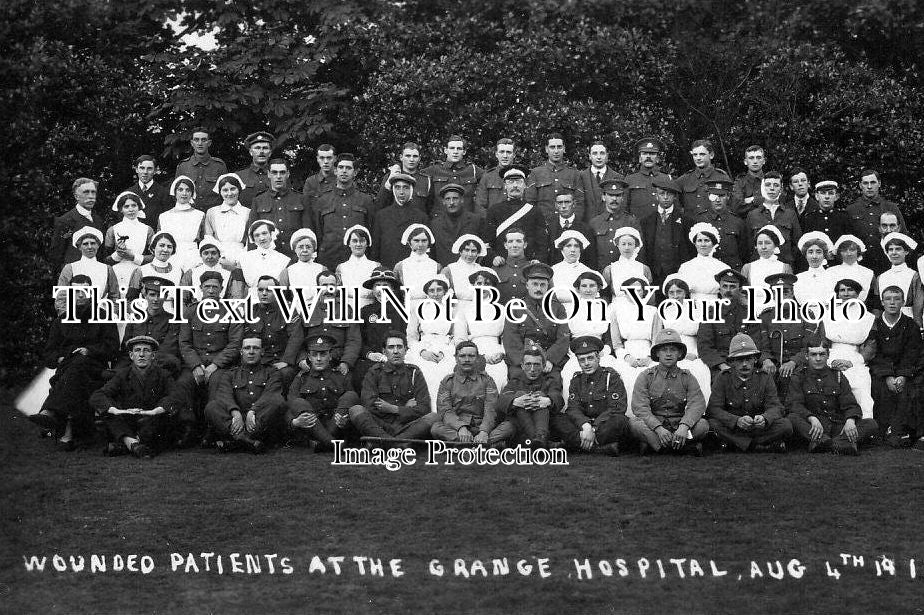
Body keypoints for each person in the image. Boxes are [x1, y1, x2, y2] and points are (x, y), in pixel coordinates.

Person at [30, 275, 119, 450]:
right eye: (76, 290)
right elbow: (49, 354)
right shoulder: (61, 320)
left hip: (94, 367)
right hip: (70, 370)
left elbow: (113, 347)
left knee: (79, 362)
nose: (80, 295)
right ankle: (69, 433)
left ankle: (52, 412)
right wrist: (60, 358)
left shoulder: (103, 316)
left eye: (84, 290)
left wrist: (90, 351)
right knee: (76, 369)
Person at [174, 271, 245, 447]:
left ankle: (211, 429)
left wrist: (214, 365)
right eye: (207, 287)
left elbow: (235, 344)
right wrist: (196, 366)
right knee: (183, 383)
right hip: (195, 363)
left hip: (220, 365)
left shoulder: (232, 311)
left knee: (217, 382)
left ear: (221, 289)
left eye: (215, 287)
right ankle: (188, 427)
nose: (211, 290)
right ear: (201, 288)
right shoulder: (190, 311)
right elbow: (184, 342)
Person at [788, 337, 879, 455]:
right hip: (814, 427)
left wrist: (850, 421)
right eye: (813, 354)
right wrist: (811, 418)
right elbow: (795, 405)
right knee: (792, 418)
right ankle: (842, 444)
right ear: (806, 356)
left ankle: (825, 443)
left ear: (828, 355)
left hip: (837, 427)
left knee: (871, 424)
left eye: (822, 354)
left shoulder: (838, 376)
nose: (818, 358)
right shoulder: (799, 377)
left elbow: (850, 404)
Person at [91, 335, 176, 458]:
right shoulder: (122, 374)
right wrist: (118, 411)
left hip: (151, 421)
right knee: (109, 412)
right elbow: (97, 395)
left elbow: (176, 396)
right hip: (128, 420)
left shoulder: (164, 375)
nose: (141, 355)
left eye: (146, 350)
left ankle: (124, 444)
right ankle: (134, 445)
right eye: (137, 350)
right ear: (131, 356)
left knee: (161, 421)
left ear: (153, 355)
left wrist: (154, 411)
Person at [706, 333, 792, 453]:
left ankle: (739, 444)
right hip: (735, 428)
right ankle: (758, 446)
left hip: (759, 428)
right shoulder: (723, 378)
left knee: (785, 425)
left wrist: (765, 418)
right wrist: (736, 421)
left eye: (748, 359)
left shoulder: (765, 377)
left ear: (755, 359)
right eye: (740, 360)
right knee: (712, 424)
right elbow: (714, 409)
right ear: (732, 362)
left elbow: (776, 406)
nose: (745, 364)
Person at [629, 328, 709, 455]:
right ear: (657, 354)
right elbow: (640, 407)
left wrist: (684, 426)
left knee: (703, 425)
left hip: (679, 426)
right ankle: (684, 448)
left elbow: (697, 404)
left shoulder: (687, 377)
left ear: (680, 353)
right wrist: (659, 428)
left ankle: (656, 447)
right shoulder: (645, 376)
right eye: (664, 350)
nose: (668, 354)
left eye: (673, 350)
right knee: (634, 423)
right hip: (655, 427)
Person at [349, 331, 437, 442]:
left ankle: (384, 443)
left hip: (407, 426)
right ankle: (399, 444)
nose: (396, 351)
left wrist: (394, 409)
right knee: (356, 410)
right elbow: (369, 405)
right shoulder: (374, 373)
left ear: (406, 350)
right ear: (384, 351)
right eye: (391, 347)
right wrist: (406, 408)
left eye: (400, 347)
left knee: (434, 417)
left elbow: (424, 408)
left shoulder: (414, 372)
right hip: (380, 425)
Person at [205, 337, 286, 453]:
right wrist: (235, 412)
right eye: (247, 348)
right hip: (237, 420)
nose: (251, 352)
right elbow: (224, 395)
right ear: (241, 351)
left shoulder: (272, 372)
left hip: (259, 419)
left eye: (256, 348)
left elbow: (271, 394)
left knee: (278, 401)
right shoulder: (230, 374)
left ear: (262, 351)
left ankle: (236, 441)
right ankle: (247, 441)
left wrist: (253, 410)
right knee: (212, 406)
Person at [551, 336, 628, 454]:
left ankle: (574, 445)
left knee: (619, 420)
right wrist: (585, 426)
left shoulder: (611, 376)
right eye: (582, 360)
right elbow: (573, 408)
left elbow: (617, 407)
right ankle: (599, 449)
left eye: (590, 358)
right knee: (557, 418)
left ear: (598, 358)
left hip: (603, 425)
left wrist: (593, 428)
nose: (586, 363)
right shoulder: (576, 380)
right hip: (583, 426)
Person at [868, 285, 922, 444]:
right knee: (879, 390)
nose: (892, 303)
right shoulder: (875, 324)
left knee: (910, 391)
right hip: (882, 372)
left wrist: (902, 375)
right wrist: (887, 376)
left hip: (905, 371)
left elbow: (913, 353)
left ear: (903, 302)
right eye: (888, 299)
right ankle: (881, 429)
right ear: (882, 302)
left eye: (897, 299)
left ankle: (900, 431)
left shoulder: (911, 325)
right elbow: (874, 354)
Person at [286, 334, 360, 451]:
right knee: (298, 402)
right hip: (310, 428)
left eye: (323, 354)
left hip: (335, 427)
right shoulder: (301, 378)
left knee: (351, 396)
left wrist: (346, 420)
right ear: (309, 357)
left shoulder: (341, 377)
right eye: (315, 354)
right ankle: (333, 445)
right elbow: (290, 403)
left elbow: (352, 404)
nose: (319, 359)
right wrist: (295, 422)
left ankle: (324, 443)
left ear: (330, 356)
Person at [760, 272, 824, 403]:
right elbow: (762, 346)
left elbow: (811, 347)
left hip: (798, 366)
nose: (782, 296)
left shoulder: (805, 314)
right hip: (773, 366)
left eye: (785, 292)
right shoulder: (766, 316)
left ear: (792, 293)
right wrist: (766, 360)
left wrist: (793, 362)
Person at [559, 271, 621, 404]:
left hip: (600, 352)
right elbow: (565, 336)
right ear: (578, 288)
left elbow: (609, 337)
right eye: (584, 286)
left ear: (598, 288)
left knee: (613, 372)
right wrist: (574, 352)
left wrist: (605, 350)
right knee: (570, 373)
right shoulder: (569, 309)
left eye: (592, 286)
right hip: (576, 353)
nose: (588, 290)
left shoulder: (605, 308)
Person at [430, 341, 509, 446]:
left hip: (482, 426)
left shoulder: (487, 380)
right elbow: (445, 411)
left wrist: (484, 431)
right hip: (457, 429)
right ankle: (486, 444)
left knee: (509, 426)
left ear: (477, 358)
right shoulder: (447, 382)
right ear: (456, 358)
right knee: (436, 428)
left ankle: (465, 444)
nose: (467, 360)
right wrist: (461, 427)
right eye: (462, 356)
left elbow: (491, 409)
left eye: (471, 356)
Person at [502, 263, 570, 379]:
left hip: (549, 363)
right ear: (527, 285)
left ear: (548, 286)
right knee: (517, 384)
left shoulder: (557, 308)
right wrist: (526, 363)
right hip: (522, 363)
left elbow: (563, 338)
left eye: (542, 285)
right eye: (535, 284)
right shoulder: (515, 309)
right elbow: (511, 339)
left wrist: (549, 360)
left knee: (555, 386)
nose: (538, 289)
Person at [698, 269, 770, 376]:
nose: (728, 290)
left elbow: (756, 344)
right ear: (720, 290)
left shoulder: (748, 314)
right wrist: (721, 365)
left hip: (747, 363)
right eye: (725, 286)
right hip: (722, 364)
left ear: (740, 290)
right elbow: (705, 347)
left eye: (732, 287)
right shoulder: (710, 315)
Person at [823, 278, 876, 423]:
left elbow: (871, 347)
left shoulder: (868, 317)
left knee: (860, 383)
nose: (846, 293)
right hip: (831, 356)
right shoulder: (829, 314)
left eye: (850, 290)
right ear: (838, 294)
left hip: (856, 357)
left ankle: (865, 424)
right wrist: (829, 360)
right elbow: (822, 342)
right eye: (842, 290)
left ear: (858, 293)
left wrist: (853, 361)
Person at [654, 276, 712, 400]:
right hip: (670, 352)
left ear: (686, 293)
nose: (675, 296)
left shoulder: (697, 310)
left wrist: (696, 354)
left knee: (698, 370)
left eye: (679, 291)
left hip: (694, 352)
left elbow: (704, 337)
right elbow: (658, 339)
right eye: (671, 293)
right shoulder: (663, 312)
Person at [299, 270, 362, 382]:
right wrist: (302, 360)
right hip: (311, 362)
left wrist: (346, 362)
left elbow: (353, 340)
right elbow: (297, 340)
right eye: (324, 286)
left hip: (338, 362)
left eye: (332, 285)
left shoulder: (347, 310)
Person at [496, 344, 563, 448]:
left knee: (540, 396)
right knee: (520, 395)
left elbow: (558, 397)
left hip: (544, 423)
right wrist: (516, 401)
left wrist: (547, 401)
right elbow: (501, 400)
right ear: (522, 366)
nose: (532, 369)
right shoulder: (515, 382)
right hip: (519, 424)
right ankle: (540, 441)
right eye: (528, 364)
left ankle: (538, 438)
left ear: (543, 366)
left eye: (536, 364)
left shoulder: (549, 382)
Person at [406, 275, 456, 412]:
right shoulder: (418, 308)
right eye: (431, 290)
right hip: (424, 347)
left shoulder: (451, 309)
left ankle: (444, 413)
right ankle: (426, 413)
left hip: (445, 347)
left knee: (447, 371)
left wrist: (444, 352)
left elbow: (455, 336)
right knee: (424, 371)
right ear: (427, 292)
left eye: (439, 290)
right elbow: (411, 337)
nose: (435, 294)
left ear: (445, 291)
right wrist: (422, 352)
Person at [313, 153, 373, 268]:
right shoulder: (323, 200)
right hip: (329, 259)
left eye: (348, 168)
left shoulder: (365, 200)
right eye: (341, 167)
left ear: (355, 172)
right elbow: (318, 232)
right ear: (335, 171)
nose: (344, 171)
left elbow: (370, 230)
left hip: (357, 260)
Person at [453, 268, 507, 391]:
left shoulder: (501, 309)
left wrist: (501, 353)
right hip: (472, 350)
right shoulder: (464, 309)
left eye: (487, 284)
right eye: (479, 284)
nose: (482, 287)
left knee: (498, 374)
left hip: (495, 350)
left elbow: (507, 336)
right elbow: (460, 338)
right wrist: (479, 357)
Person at [247, 275, 304, 388]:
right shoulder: (251, 311)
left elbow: (295, 337)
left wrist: (286, 361)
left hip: (282, 359)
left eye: (269, 290)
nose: (264, 293)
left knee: (284, 374)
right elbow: (246, 339)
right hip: (259, 361)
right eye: (260, 290)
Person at [484, 166, 550, 264]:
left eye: (519, 182)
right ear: (505, 185)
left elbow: (542, 243)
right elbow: (487, 241)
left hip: (528, 264)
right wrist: (494, 257)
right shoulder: (494, 210)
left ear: (525, 185)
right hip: (502, 264)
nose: (515, 185)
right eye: (510, 182)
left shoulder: (534, 211)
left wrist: (538, 259)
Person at [354, 268, 406, 388]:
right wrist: (369, 354)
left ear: (392, 289)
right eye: (377, 285)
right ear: (372, 289)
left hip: (398, 358)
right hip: (372, 360)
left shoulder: (403, 310)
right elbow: (357, 340)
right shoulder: (365, 312)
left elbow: (409, 336)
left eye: (385, 285)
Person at [610, 276, 658, 403]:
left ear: (644, 292)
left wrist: (649, 357)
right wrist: (627, 357)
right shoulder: (617, 311)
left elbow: (656, 340)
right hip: (627, 353)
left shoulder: (653, 311)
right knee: (624, 377)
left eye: (639, 290)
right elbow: (616, 343)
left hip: (648, 353)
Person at [120, 276, 181, 374]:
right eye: (152, 295)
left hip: (159, 365)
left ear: (165, 297)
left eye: (160, 295)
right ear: (145, 296)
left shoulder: (173, 321)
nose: (156, 299)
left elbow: (168, 349)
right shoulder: (136, 318)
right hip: (133, 363)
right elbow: (126, 346)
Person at [639, 176, 693, 288]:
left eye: (669, 194)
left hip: (677, 273)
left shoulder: (686, 221)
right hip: (654, 273)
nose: (665, 197)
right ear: (656, 196)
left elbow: (690, 250)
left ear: (674, 197)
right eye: (662, 193)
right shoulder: (646, 221)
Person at [248, 159, 308, 257]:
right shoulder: (258, 200)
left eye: (282, 172)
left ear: (288, 174)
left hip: (295, 255)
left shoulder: (300, 199)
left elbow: (308, 232)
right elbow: (252, 234)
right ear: (268, 174)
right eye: (274, 173)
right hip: (268, 257)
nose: (278, 176)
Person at [55, 227, 120, 314]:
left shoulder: (107, 269)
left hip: (101, 317)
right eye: (85, 244)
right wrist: (66, 317)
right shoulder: (70, 268)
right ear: (79, 247)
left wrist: (110, 315)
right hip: (75, 316)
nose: (90, 247)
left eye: (93, 243)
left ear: (98, 245)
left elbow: (115, 296)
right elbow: (61, 297)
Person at [371, 173, 430, 268]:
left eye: (405, 188)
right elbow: (375, 249)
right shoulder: (381, 215)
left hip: (414, 268)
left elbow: (428, 249)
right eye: (397, 187)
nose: (401, 192)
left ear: (411, 190)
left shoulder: (421, 217)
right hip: (387, 267)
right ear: (393, 190)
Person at [744, 172, 802, 266]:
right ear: (762, 188)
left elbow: (797, 243)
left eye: (776, 185)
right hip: (759, 266)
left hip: (784, 267)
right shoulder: (753, 215)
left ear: (781, 188)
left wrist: (789, 261)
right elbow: (747, 246)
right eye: (768, 185)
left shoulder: (790, 214)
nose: (772, 188)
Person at [524, 132, 586, 219]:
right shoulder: (536, 173)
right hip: (543, 225)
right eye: (552, 147)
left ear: (564, 149)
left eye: (559, 147)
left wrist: (573, 223)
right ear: (546, 149)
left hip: (567, 225)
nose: (556, 151)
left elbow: (579, 203)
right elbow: (530, 203)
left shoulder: (574, 174)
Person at [846, 168, 907, 255]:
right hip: (860, 261)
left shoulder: (891, 208)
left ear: (879, 183)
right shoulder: (851, 209)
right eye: (865, 183)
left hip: (886, 259)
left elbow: (903, 236)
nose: (869, 186)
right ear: (860, 185)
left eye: (873, 182)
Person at [105, 191, 155, 295]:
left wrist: (133, 257)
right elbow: (106, 259)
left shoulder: (147, 230)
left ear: (139, 207)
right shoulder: (113, 230)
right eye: (126, 206)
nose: (131, 209)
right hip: (117, 272)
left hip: (140, 270)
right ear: (121, 209)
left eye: (134, 205)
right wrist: (118, 254)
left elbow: (153, 257)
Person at [694, 178, 748, 270]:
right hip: (707, 270)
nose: (717, 200)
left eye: (721, 196)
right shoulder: (700, 220)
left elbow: (744, 251)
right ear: (708, 196)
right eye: (714, 196)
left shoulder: (737, 222)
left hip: (732, 271)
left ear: (728, 197)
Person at [422, 135, 483, 216]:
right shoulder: (434, 170)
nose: (455, 151)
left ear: (464, 152)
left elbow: (491, 179)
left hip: (465, 220)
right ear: (446, 150)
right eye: (452, 148)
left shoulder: (473, 170)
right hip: (440, 220)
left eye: (459, 149)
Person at [871, 232, 924, 326]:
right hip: (885, 323)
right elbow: (877, 305)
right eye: (890, 250)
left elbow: (918, 305)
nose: (894, 253)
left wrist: (918, 328)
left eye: (898, 249)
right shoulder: (881, 277)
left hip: (908, 321)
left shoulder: (914, 276)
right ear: (887, 253)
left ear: (906, 252)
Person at [589, 178, 641, 269]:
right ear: (603, 197)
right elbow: (590, 254)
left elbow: (639, 250)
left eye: (618, 195)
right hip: (601, 273)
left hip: (625, 273)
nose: (614, 199)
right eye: (610, 195)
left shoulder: (631, 222)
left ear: (622, 198)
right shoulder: (595, 223)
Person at [52, 177, 105, 267]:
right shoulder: (65, 220)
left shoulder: (98, 220)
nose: (91, 196)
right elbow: (57, 255)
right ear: (76, 196)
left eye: (93, 192)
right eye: (86, 192)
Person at [428, 183, 483, 268]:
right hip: (444, 271)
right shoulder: (435, 224)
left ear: (462, 200)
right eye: (447, 199)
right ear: (443, 202)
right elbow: (432, 252)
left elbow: (482, 249)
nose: (451, 203)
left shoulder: (475, 220)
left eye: (455, 198)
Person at [203, 173, 250, 269]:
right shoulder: (212, 212)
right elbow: (209, 238)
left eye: (233, 189)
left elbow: (250, 241)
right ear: (220, 192)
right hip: (217, 258)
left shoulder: (248, 212)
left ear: (239, 190)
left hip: (241, 258)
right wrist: (219, 257)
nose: (229, 193)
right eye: (225, 190)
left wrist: (241, 260)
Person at [159, 175, 205, 271]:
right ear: (174, 192)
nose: (184, 193)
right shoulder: (164, 216)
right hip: (170, 256)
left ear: (192, 193)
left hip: (193, 257)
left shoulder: (200, 215)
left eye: (188, 190)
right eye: (180, 189)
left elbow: (204, 240)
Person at [176, 126, 228, 211]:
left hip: (214, 214)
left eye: (204, 140)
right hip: (190, 214)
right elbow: (176, 194)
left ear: (209, 143)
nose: (200, 143)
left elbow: (226, 192)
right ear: (192, 143)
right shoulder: (183, 166)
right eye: (196, 140)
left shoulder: (219, 166)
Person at [125, 231, 184, 307]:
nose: (165, 250)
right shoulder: (141, 271)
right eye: (161, 245)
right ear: (153, 247)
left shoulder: (179, 271)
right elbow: (130, 301)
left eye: (169, 247)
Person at [233, 220, 291, 295]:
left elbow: (284, 288)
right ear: (253, 239)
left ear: (271, 234)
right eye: (257, 235)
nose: (262, 238)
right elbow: (238, 288)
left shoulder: (283, 259)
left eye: (264, 233)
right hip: (251, 299)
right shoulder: (244, 258)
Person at [393, 223, 440, 314]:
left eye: (424, 241)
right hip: (407, 308)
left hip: (430, 308)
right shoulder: (400, 266)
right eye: (416, 240)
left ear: (428, 243)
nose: (420, 244)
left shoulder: (436, 266)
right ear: (409, 242)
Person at [375, 142, 431, 215]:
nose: (411, 159)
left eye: (415, 156)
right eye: (408, 156)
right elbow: (380, 205)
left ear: (419, 158)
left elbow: (430, 209)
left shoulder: (426, 180)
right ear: (401, 157)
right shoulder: (391, 177)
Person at [676, 222, 727, 303]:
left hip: (716, 306)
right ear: (695, 243)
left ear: (713, 243)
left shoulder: (723, 267)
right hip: (692, 306)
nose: (703, 244)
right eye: (699, 240)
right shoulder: (686, 267)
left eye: (707, 240)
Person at [676, 139, 728, 217]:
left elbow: (730, 206)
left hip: (713, 226)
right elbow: (675, 202)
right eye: (695, 155)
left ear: (711, 155)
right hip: (689, 226)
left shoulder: (722, 178)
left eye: (702, 154)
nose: (698, 158)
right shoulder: (684, 179)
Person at [335, 225, 380, 311]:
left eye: (362, 241)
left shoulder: (375, 266)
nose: (358, 244)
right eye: (354, 241)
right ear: (349, 243)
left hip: (370, 310)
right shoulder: (341, 267)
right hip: (348, 310)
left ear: (367, 243)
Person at [602, 227, 652, 301]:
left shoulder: (644, 268)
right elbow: (604, 295)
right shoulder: (609, 269)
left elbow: (649, 295)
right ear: (618, 245)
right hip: (617, 308)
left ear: (636, 246)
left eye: (630, 244)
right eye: (623, 244)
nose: (626, 247)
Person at [546, 193, 595, 268]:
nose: (563, 206)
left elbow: (591, 258)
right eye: (560, 203)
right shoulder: (549, 228)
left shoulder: (586, 229)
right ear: (556, 205)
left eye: (567, 202)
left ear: (574, 204)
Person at [626, 136, 670, 219]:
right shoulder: (630, 180)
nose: (648, 157)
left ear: (657, 159)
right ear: (640, 158)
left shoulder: (666, 179)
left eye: (652, 154)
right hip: (638, 227)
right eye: (645, 153)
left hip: (661, 227)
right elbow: (624, 208)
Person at [441, 234, 487, 314]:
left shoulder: (481, 270)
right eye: (466, 250)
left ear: (478, 253)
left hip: (477, 308)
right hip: (456, 309)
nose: (470, 254)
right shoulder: (450, 269)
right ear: (460, 251)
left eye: (473, 251)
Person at [741, 225, 792, 296]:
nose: (763, 247)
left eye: (768, 243)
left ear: (775, 245)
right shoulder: (747, 268)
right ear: (756, 246)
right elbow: (743, 295)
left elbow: (788, 294)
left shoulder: (785, 267)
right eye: (760, 243)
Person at [179, 236, 233, 301]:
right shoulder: (191, 273)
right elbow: (182, 297)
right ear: (201, 255)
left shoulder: (228, 274)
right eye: (206, 253)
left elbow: (232, 297)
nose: (210, 257)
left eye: (213, 253)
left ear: (219, 255)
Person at [278, 228, 324, 301]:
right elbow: (283, 298)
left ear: (313, 249)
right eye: (300, 247)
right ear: (295, 249)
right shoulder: (287, 272)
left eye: (308, 247)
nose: (305, 250)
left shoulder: (322, 269)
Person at [579, 141, 621, 222]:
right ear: (590, 156)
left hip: (610, 226)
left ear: (607, 156)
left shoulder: (618, 178)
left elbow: (621, 207)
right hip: (587, 226)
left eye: (602, 153)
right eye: (595, 153)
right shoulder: (580, 177)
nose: (599, 157)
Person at [826, 235, 874, 302]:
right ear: (839, 253)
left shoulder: (868, 272)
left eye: (852, 250)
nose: (848, 253)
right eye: (844, 250)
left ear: (858, 251)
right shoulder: (831, 271)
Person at [550, 230, 592, 306]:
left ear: (580, 250)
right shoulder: (553, 270)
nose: (572, 250)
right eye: (568, 246)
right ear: (562, 249)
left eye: (576, 246)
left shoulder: (587, 271)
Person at [125, 155, 171, 223]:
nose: (145, 172)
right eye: (142, 168)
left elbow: (168, 220)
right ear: (136, 169)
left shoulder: (164, 193)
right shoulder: (128, 193)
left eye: (149, 168)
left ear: (155, 170)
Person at [794, 231, 835, 307]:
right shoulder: (798, 278)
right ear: (805, 255)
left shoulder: (832, 276)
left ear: (824, 255)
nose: (814, 256)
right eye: (810, 252)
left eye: (818, 252)